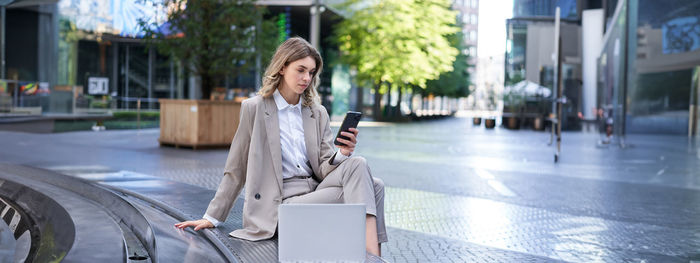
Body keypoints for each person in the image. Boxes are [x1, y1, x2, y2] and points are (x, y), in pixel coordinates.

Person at [175, 37, 387, 256]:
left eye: (311, 72)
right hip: (282, 204)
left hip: (315, 191)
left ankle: (372, 255)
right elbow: (236, 168)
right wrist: (212, 217)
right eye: (301, 70)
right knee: (371, 187)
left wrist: (342, 154)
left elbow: (324, 168)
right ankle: (372, 257)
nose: (306, 78)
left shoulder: (317, 112)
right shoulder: (254, 108)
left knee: (366, 174)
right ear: (283, 67)